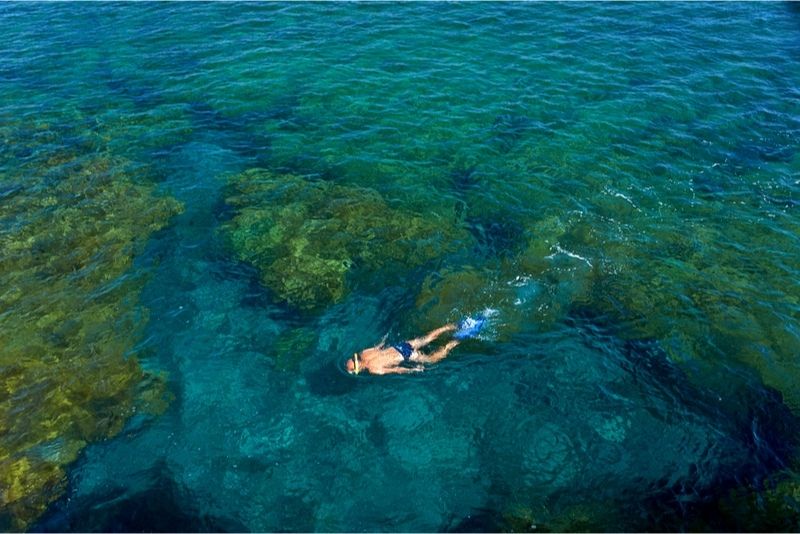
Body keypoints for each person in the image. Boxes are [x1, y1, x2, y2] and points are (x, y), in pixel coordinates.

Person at [346, 323, 460, 375]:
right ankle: (449, 327)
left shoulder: (373, 370)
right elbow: (380, 345)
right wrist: (385, 337)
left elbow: (396, 370)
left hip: (405, 355)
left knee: (431, 360)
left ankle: (452, 344)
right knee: (426, 339)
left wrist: (413, 370)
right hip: (400, 346)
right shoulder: (365, 353)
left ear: (358, 368)